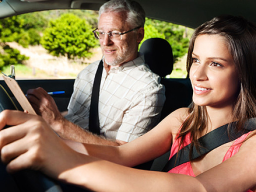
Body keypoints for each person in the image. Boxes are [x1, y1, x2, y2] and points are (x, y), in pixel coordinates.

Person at [1, 15, 256, 191]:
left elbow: (199, 188)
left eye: (216, 64)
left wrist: (66, 163)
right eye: (196, 60)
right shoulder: (182, 119)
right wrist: (49, 140)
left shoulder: (252, 143)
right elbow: (121, 154)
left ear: (244, 72)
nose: (197, 74)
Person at [26, 0, 165, 146]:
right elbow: (75, 117)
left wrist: (58, 123)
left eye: (115, 33)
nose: (105, 42)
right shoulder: (89, 72)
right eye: (101, 32)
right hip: (56, 147)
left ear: (139, 35)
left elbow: (124, 153)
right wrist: (44, 116)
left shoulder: (147, 91)